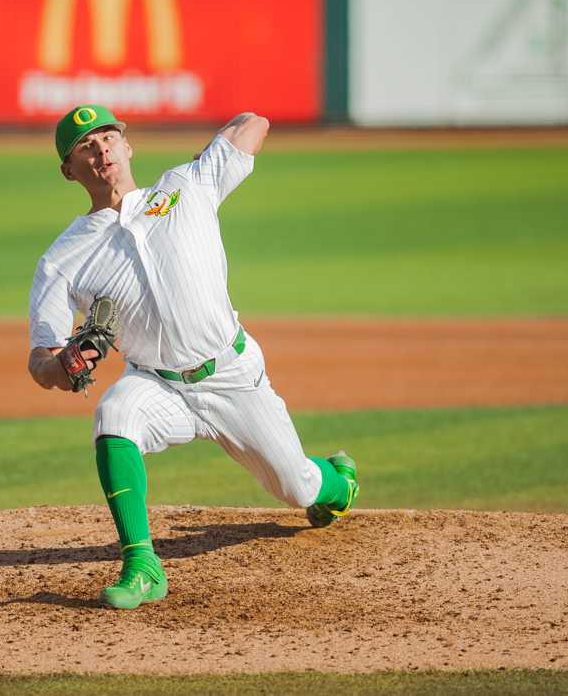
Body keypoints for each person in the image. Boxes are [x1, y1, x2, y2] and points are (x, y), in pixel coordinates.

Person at [27, 104, 360, 610]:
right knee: (114, 415)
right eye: (84, 147)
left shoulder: (186, 185)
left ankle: (337, 481)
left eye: (108, 138)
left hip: (231, 376)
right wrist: (65, 364)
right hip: (157, 384)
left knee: (299, 486)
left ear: (127, 145)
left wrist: (218, 149)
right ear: (68, 170)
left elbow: (255, 124)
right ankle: (142, 566)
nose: (101, 151)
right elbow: (41, 361)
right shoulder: (61, 259)